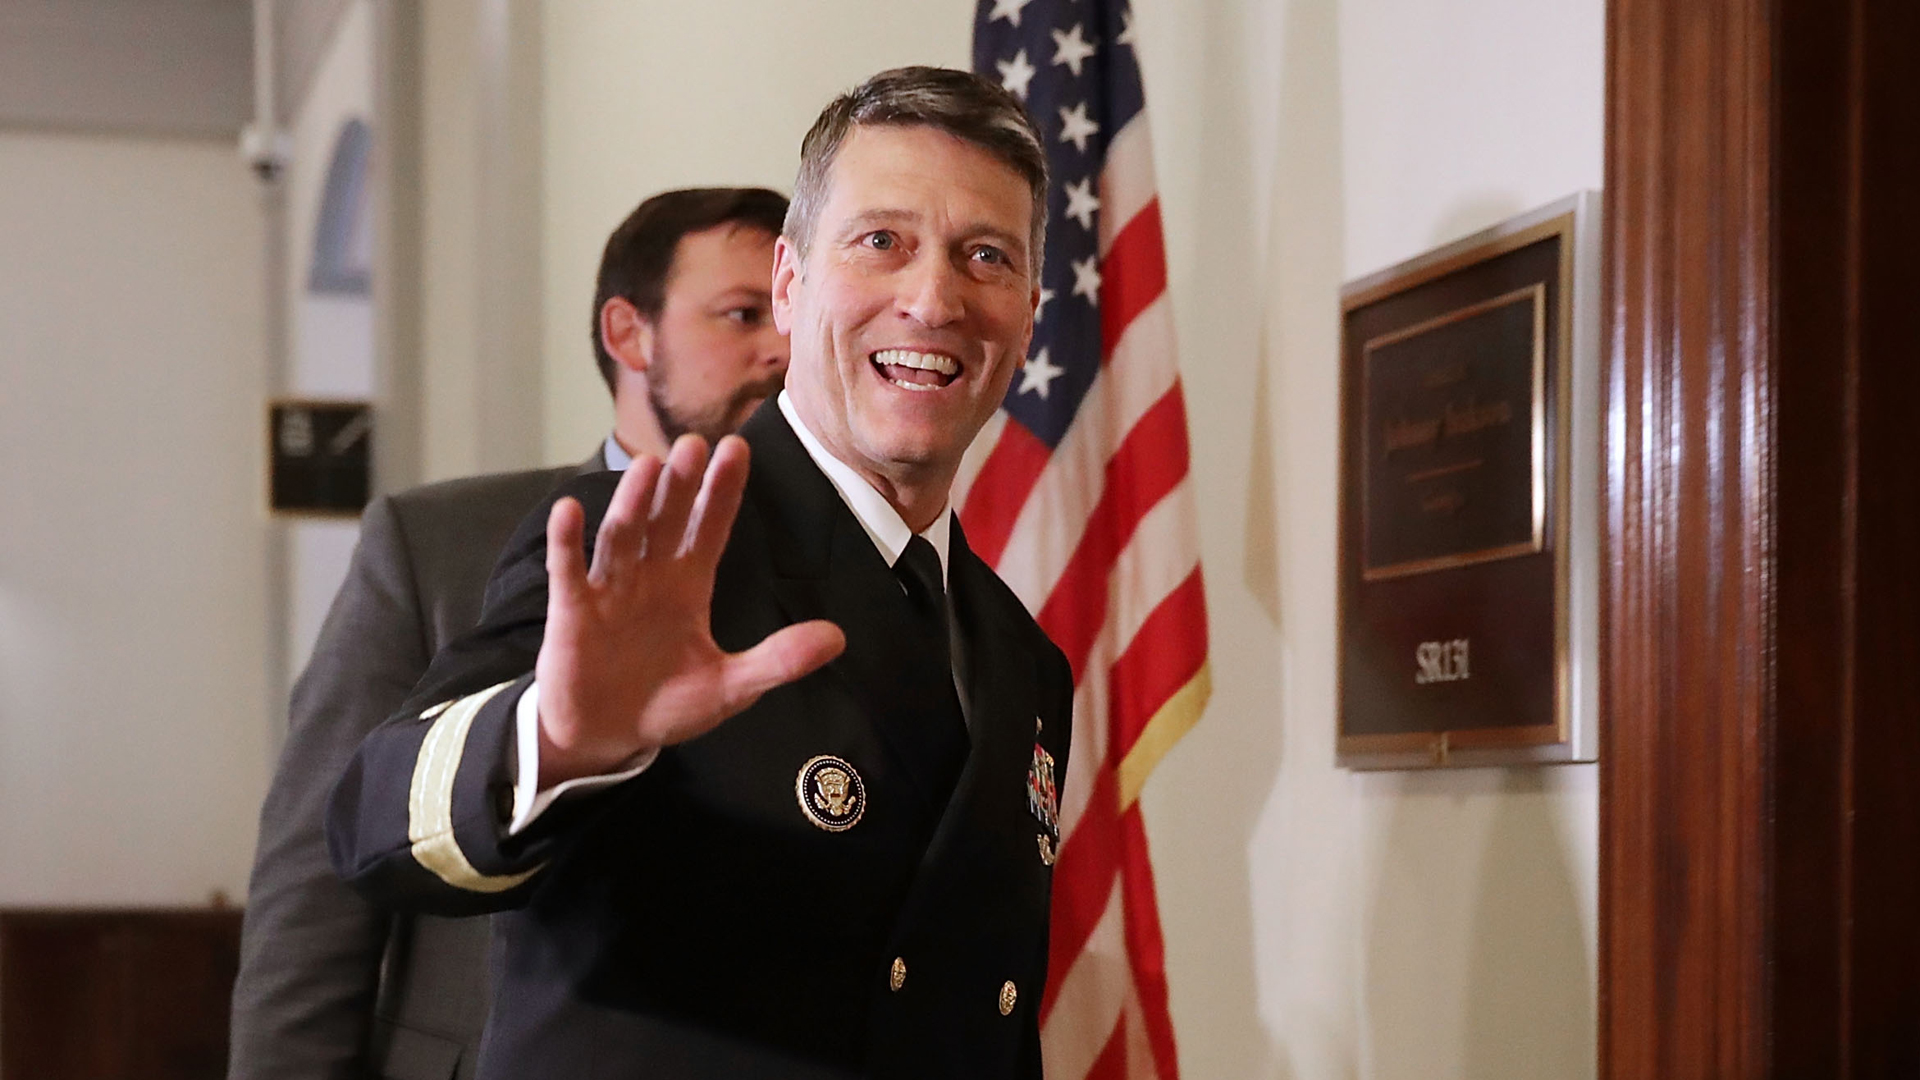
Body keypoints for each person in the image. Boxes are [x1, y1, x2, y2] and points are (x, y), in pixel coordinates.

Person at [327, 66, 1072, 1079]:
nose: (933, 298)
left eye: (984, 257)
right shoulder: (644, 545)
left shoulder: (1023, 659)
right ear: (791, 281)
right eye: (881, 242)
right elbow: (375, 821)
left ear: (1028, 316)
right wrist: (555, 739)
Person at [230, 186, 792, 1080]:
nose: (780, 349)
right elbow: (316, 889)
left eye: (794, 312)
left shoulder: (841, 579)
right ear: (629, 333)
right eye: (741, 314)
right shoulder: (439, 547)